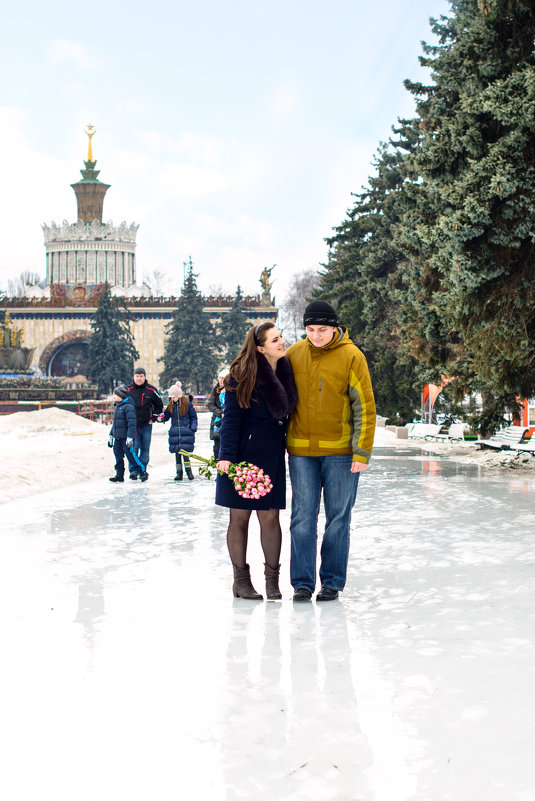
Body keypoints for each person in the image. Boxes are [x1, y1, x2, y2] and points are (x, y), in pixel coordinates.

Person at [286, 300, 376, 601]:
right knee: (302, 517)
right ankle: (302, 582)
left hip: (340, 452)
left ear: (335, 327)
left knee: (338, 518)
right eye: (310, 330)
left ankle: (332, 582)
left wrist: (361, 452)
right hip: (300, 451)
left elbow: (364, 407)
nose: (316, 336)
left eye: (322, 330)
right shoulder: (294, 354)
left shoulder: (352, 356)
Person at [216, 323, 297, 600]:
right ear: (261, 348)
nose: (282, 342)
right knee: (239, 517)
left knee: (271, 517)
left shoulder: (287, 371)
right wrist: (226, 457)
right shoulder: (242, 375)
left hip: (272, 455)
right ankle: (241, 581)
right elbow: (231, 421)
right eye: (275, 339)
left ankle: (272, 582)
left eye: (281, 337)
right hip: (242, 456)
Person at [126, 367, 163, 480]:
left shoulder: (151, 390)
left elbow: (159, 405)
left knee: (145, 449)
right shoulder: (127, 390)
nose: (139, 378)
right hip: (133, 425)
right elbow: (121, 404)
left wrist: (154, 417)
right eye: (137, 376)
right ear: (134, 377)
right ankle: (133, 471)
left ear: (145, 377)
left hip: (146, 424)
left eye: (141, 376)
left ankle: (142, 470)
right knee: (134, 448)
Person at [108, 385, 149, 483]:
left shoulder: (128, 407)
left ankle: (142, 472)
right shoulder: (117, 406)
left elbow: (132, 423)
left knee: (131, 457)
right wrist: (111, 435)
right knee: (118, 456)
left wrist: (130, 437)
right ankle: (119, 475)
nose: (113, 396)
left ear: (121, 395)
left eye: (115, 394)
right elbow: (115, 423)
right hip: (117, 437)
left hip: (126, 438)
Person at [160, 382, 198, 480]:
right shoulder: (171, 405)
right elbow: (166, 416)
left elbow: (193, 417)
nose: (172, 399)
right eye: (171, 397)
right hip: (175, 433)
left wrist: (193, 428)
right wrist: (161, 418)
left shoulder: (187, 405)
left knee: (185, 455)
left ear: (179, 396)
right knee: (177, 455)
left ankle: (189, 472)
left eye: (174, 396)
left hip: (186, 432)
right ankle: (179, 473)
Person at [206, 368, 229, 459]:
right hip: (218, 422)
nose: (221, 380)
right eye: (220, 378)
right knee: (217, 446)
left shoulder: (233, 391)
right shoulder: (216, 390)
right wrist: (220, 413)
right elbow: (210, 404)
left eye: (223, 378)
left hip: (229, 421)